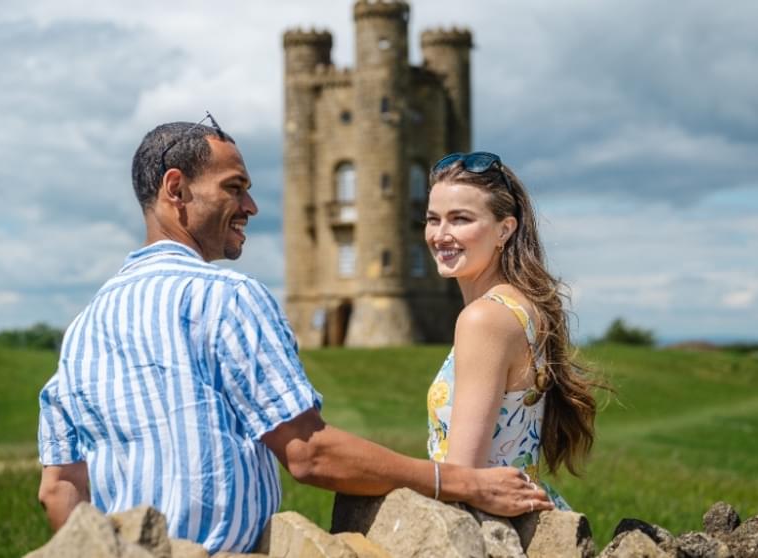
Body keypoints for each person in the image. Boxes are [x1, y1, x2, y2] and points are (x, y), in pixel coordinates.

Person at [36, 118, 553, 553]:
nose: (252, 207)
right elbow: (309, 453)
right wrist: (454, 480)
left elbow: (58, 489)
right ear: (177, 189)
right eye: (234, 188)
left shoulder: (83, 327)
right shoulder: (227, 297)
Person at [424, 151, 599, 510]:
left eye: (460, 219)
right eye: (433, 219)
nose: (441, 234)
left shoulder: (483, 319)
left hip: (486, 526)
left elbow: (461, 475)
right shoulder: (525, 306)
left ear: (505, 229)